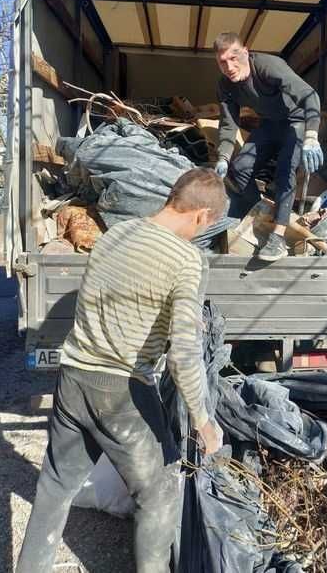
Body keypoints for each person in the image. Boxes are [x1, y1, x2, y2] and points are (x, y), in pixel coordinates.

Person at [16, 168, 227, 573]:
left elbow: (114, 296)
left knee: (56, 485)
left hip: (73, 377)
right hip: (120, 390)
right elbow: (183, 353)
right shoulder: (185, 259)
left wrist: (174, 317)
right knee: (160, 492)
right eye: (208, 226)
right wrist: (203, 420)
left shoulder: (116, 233)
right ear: (201, 216)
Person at [213, 32, 323, 261]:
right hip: (271, 124)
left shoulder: (267, 66)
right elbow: (228, 123)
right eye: (223, 62)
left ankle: (278, 238)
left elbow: (309, 95)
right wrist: (223, 157)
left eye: (234, 58)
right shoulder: (226, 85)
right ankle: (261, 213)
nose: (230, 66)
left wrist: (312, 135)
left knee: (285, 170)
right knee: (240, 166)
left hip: (297, 122)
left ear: (245, 51)